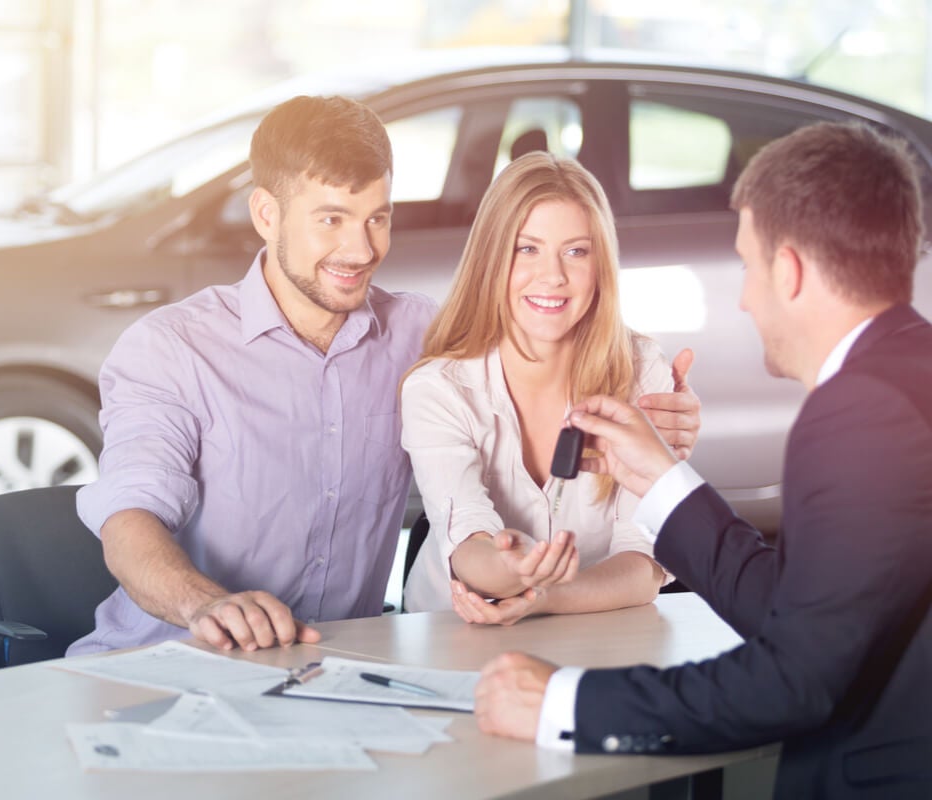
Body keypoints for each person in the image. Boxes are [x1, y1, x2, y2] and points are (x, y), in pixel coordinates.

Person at [68, 95, 702, 656]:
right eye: (331, 219)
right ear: (266, 214)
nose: (362, 249)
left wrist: (669, 431)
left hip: (337, 670)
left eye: (378, 217)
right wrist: (203, 604)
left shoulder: (424, 340)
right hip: (169, 659)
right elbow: (130, 517)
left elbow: (537, 340)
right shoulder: (173, 348)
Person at [473, 121, 932, 799]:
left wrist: (563, 703)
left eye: (747, 265)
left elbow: (793, 680)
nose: (745, 297)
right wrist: (660, 478)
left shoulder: (861, 411)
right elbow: (794, 608)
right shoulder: (909, 371)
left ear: (790, 270)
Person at [401, 152, 680, 620]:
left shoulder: (642, 371)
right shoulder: (438, 389)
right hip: (455, 631)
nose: (553, 276)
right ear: (492, 259)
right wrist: (510, 567)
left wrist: (541, 598)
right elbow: (468, 542)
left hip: (593, 630)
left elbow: (645, 563)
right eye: (527, 249)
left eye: (576, 251)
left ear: (600, 266)